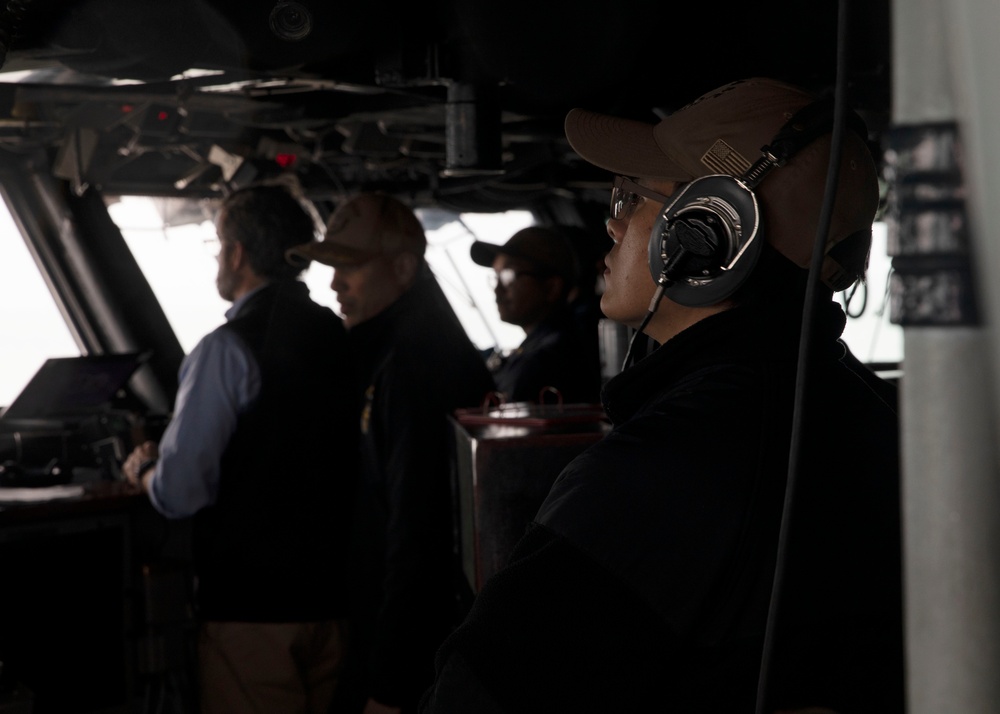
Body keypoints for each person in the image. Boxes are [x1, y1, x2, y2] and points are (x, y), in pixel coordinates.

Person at [419, 77, 904, 713]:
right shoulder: (873, 413)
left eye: (632, 197)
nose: (613, 225)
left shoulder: (661, 466)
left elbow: (482, 696)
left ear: (711, 235)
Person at [121, 183, 360, 714]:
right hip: (334, 601)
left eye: (218, 246)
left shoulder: (224, 350)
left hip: (252, 611)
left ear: (236, 252)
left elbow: (181, 493)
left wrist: (144, 472)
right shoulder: (338, 335)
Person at [285, 192, 496, 714]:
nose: (334, 283)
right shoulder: (401, 349)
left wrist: (389, 683)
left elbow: (417, 532)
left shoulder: (412, 366)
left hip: (416, 658)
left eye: (349, 267)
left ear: (403, 267)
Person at [470, 226, 602, 404]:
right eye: (496, 276)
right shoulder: (538, 346)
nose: (497, 290)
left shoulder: (547, 360)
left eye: (508, 276)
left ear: (551, 287)